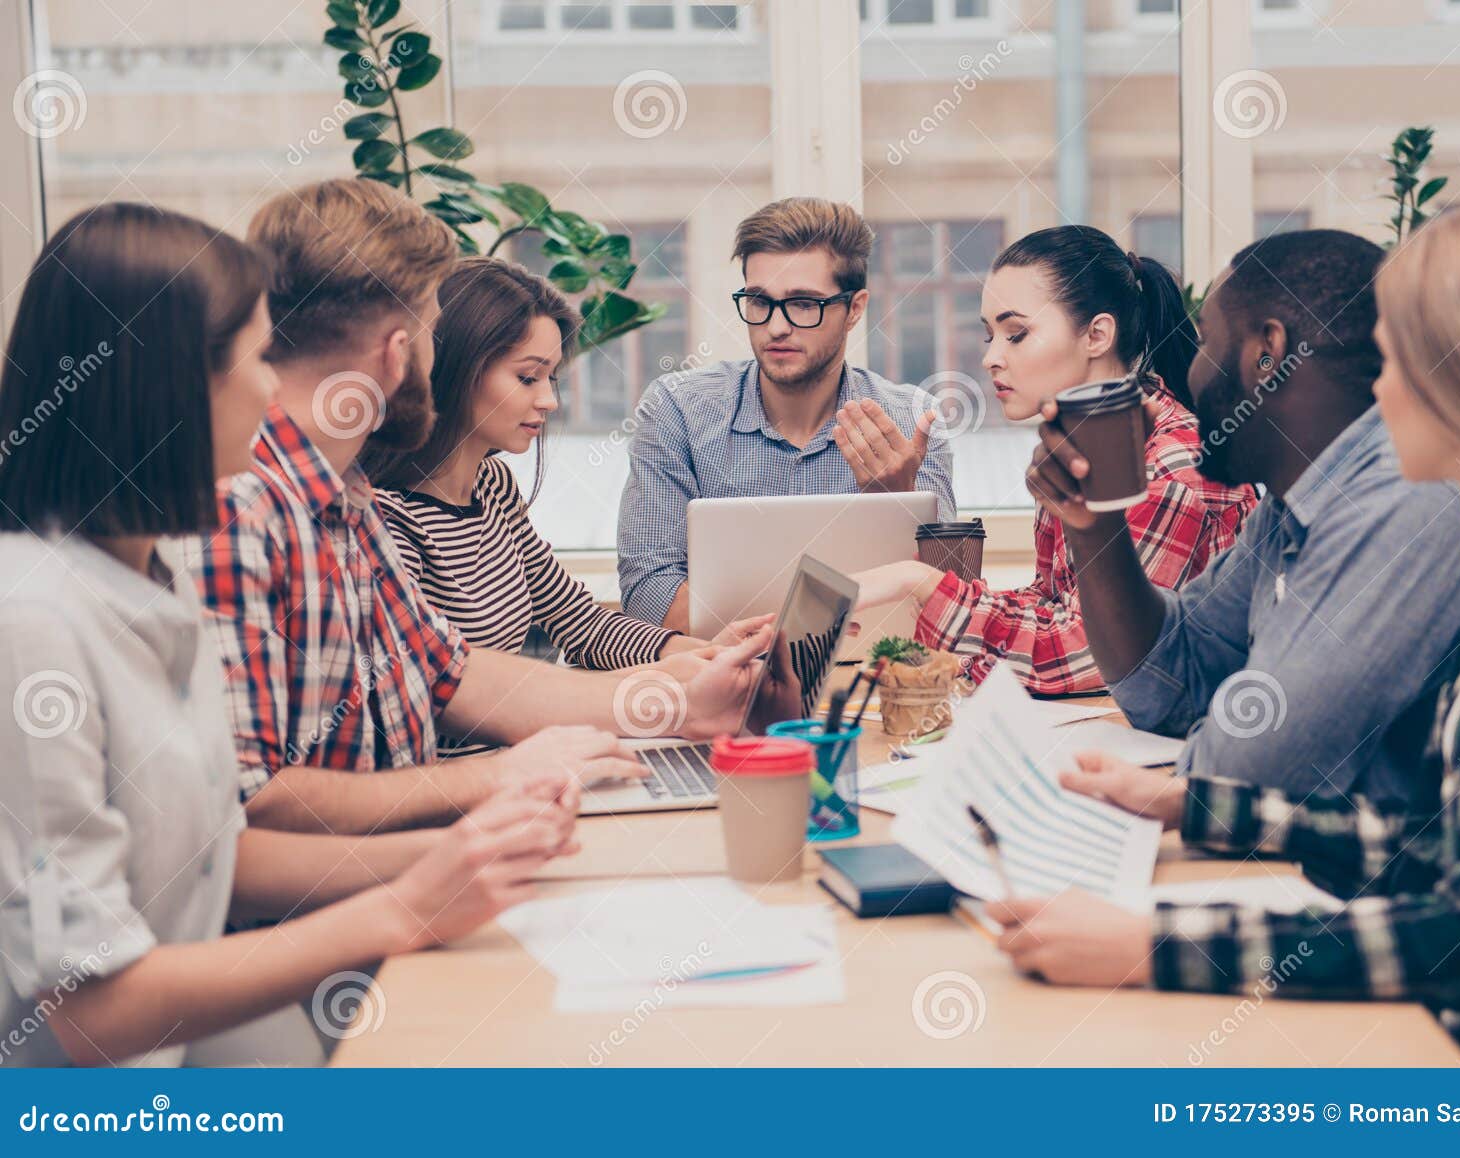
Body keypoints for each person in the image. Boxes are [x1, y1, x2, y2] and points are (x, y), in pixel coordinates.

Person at [988, 198, 1460, 1068]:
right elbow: (1449, 846)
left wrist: (1158, 946)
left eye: (1403, 359)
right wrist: (1193, 806)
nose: (1379, 387)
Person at [0, 203, 580, 1067]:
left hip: (191, 1040)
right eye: (254, 359)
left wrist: (463, 856)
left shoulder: (158, 576)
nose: (276, 388)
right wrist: (405, 905)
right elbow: (94, 1013)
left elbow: (213, 857)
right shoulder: (33, 624)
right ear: (170, 387)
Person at [195, 179, 771, 836]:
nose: (547, 399)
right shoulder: (246, 503)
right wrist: (502, 779)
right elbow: (252, 806)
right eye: (431, 331)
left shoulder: (342, 494)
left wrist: (676, 690)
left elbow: (453, 672)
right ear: (400, 349)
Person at [1025, 229, 1460, 805]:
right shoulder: (1290, 505)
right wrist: (1094, 523)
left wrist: (1206, 746)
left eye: (1203, 343)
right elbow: (1167, 681)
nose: (1190, 373)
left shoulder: (1398, 501)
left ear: (1267, 353)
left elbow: (1253, 766)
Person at [365, 258, 770, 756]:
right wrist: (667, 687)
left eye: (551, 378)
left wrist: (701, 653)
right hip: (466, 786)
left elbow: (579, 622)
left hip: (517, 762)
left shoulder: (491, 486)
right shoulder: (389, 519)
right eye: (528, 377)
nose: (549, 401)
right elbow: (430, 694)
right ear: (457, 370)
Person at [848, 226, 1258, 696]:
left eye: (1016, 334)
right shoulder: (1083, 448)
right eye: (989, 336)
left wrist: (918, 582)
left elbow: (1088, 654)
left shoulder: (1170, 469)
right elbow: (1051, 606)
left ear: (1097, 335)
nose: (991, 359)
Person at [617, 197, 957, 632]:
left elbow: (954, 606)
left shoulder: (910, 420)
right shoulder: (677, 409)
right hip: (724, 679)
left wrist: (899, 502)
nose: (776, 326)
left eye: (802, 304)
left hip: (874, 679)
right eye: (760, 301)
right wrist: (789, 633)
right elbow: (647, 590)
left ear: (854, 309)